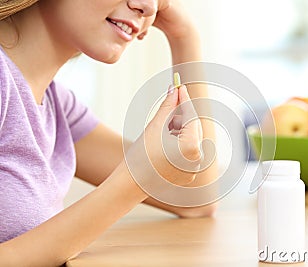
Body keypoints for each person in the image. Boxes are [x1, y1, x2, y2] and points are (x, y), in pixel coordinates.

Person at [0, 0, 218, 266]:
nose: (148, 7)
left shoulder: (57, 106)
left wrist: (183, 34)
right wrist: (137, 178)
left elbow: (196, 198)